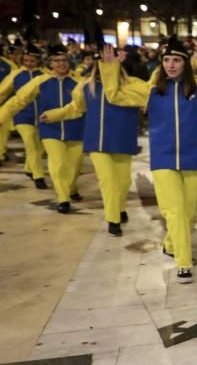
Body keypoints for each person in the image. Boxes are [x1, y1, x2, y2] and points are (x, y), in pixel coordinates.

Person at [102, 37, 197, 282]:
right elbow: (115, 95)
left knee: (188, 213)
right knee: (175, 211)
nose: (171, 65)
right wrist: (110, 68)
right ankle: (184, 261)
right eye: (167, 60)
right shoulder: (151, 92)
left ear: (185, 63)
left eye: (177, 60)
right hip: (163, 160)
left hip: (195, 160)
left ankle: (171, 242)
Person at [39, 45, 146, 235]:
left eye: (110, 63)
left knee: (123, 181)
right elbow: (75, 108)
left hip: (122, 141)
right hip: (97, 142)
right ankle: (113, 219)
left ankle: (119, 209)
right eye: (102, 63)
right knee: (108, 181)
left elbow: (141, 98)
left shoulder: (133, 84)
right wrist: (54, 114)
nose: (105, 66)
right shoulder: (85, 87)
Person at [1, 44, 85, 212]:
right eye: (57, 61)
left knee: (75, 164)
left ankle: (71, 188)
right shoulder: (40, 81)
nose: (61, 64)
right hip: (49, 129)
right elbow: (19, 100)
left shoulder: (79, 82)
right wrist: (2, 115)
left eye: (64, 61)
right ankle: (63, 198)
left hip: (76, 128)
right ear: (50, 64)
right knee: (57, 163)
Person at [0, 42, 46, 186]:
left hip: (43, 116)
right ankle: (39, 176)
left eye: (32, 61)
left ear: (38, 60)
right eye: (26, 60)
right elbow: (2, 92)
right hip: (22, 115)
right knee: (31, 143)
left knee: (40, 146)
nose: (29, 63)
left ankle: (29, 167)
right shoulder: (15, 75)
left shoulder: (45, 75)